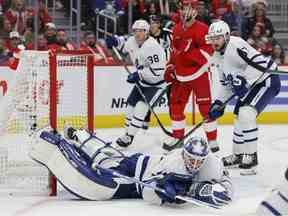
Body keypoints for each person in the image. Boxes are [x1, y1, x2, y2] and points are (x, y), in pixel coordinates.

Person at [30, 126, 233, 207]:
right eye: (191, 158)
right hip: (137, 170)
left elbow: (226, 183)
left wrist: (222, 191)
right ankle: (62, 141)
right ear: (184, 153)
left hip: (142, 163)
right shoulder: (174, 163)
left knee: (106, 159)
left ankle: (79, 136)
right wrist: (163, 193)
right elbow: (146, 191)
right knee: (100, 175)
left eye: (199, 160)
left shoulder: (212, 164)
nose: (194, 164)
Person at [206, 20, 281, 175]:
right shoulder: (217, 57)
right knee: (238, 117)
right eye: (212, 38)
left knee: (246, 113)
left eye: (218, 38)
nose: (215, 42)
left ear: (226, 36)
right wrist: (218, 103)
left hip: (266, 80)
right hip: (252, 84)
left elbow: (259, 64)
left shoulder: (236, 44)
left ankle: (252, 158)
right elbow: (227, 85)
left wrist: (245, 79)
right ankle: (239, 155)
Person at [163, 0, 218, 152]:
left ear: (195, 11)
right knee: (176, 106)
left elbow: (208, 54)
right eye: (183, 8)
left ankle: (212, 140)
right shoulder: (176, 29)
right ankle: (177, 136)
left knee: (206, 109)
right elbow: (175, 51)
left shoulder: (204, 29)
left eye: (188, 8)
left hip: (199, 74)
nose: (185, 11)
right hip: (180, 75)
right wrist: (170, 66)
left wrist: (188, 51)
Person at [105, 19, 166, 147]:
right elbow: (123, 44)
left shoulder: (152, 47)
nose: (137, 34)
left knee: (140, 108)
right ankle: (126, 134)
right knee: (129, 108)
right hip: (142, 81)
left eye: (141, 31)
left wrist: (139, 74)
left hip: (156, 84)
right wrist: (114, 41)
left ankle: (129, 137)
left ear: (147, 32)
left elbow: (159, 72)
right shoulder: (132, 41)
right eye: (135, 31)